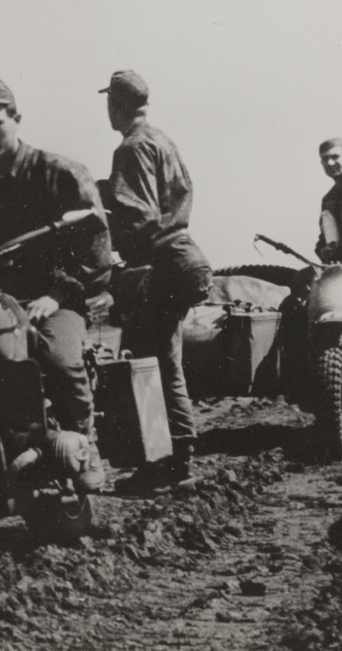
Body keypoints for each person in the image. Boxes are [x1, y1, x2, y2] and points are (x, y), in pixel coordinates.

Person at [0, 76, 110, 493]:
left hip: (54, 297)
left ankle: (85, 445)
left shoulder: (59, 174)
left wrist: (58, 294)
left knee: (59, 359)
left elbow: (96, 249)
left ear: (17, 119)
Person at [101, 70, 211, 491]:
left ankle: (166, 465)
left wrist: (103, 230)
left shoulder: (130, 147)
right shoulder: (162, 140)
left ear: (117, 105)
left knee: (150, 365)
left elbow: (141, 217)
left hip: (160, 263)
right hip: (182, 259)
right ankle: (173, 462)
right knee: (164, 361)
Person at [315, 138, 342, 262]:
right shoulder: (329, 199)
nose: (330, 163)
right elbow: (325, 238)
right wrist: (324, 250)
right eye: (325, 159)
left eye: (335, 156)